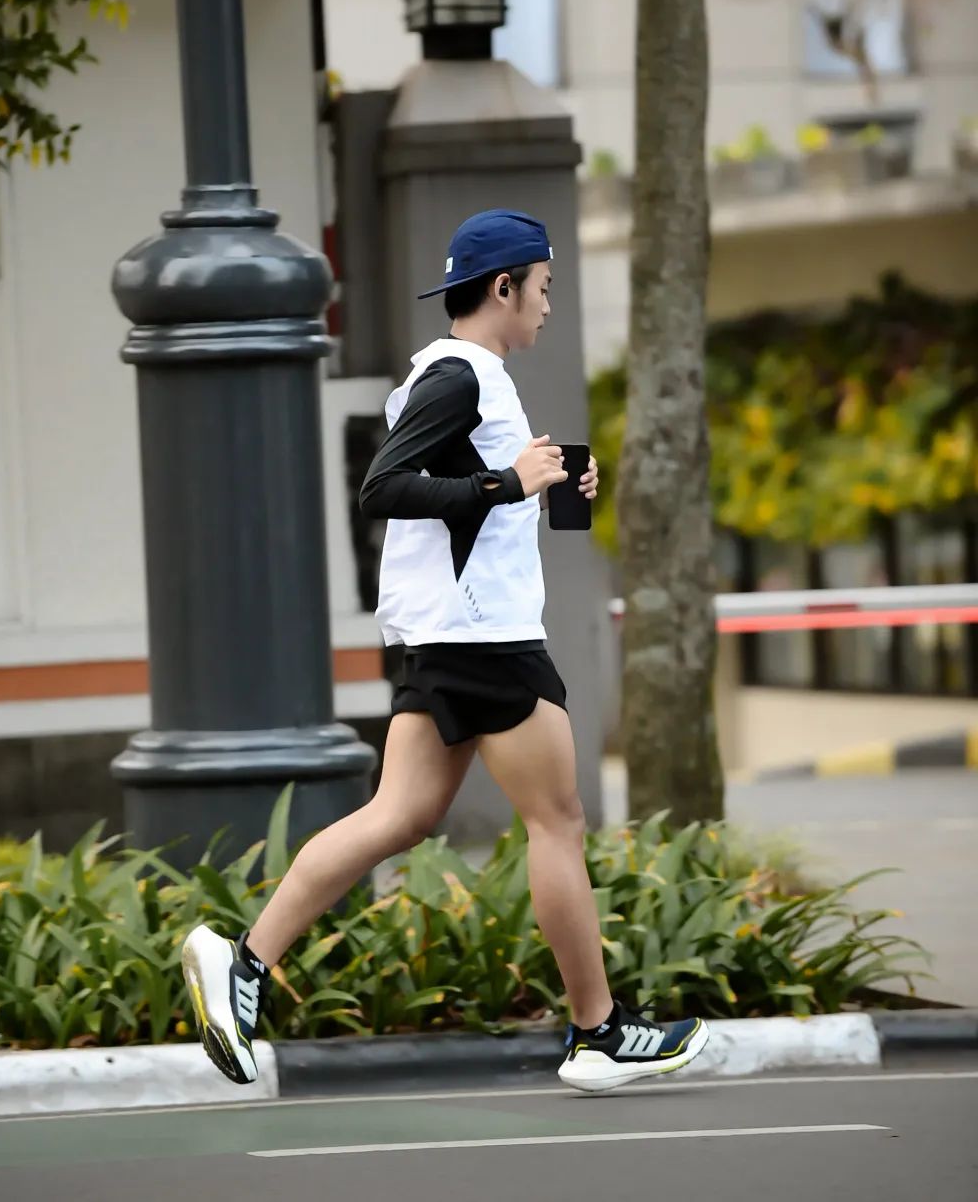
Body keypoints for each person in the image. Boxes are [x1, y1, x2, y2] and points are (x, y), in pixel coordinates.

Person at [181, 209, 709, 1093]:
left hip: (451, 638)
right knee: (558, 822)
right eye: (544, 288)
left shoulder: (473, 379)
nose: (548, 304)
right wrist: (506, 481)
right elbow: (384, 486)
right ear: (504, 287)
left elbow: (467, 495)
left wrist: (547, 484)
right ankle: (599, 1031)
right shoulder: (460, 376)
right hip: (485, 639)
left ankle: (242, 960)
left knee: (400, 816)